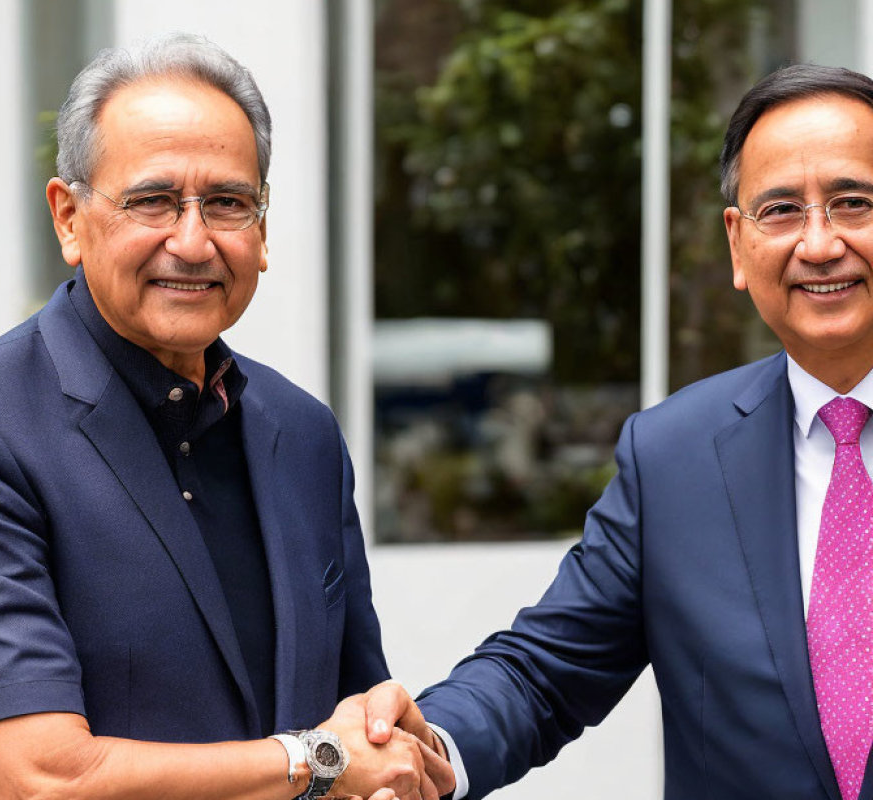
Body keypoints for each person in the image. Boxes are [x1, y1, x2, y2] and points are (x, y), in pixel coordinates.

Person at [0, 32, 452, 800]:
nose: (192, 239)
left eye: (227, 204)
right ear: (68, 219)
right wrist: (318, 763)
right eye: (152, 200)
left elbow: (356, 722)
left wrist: (390, 752)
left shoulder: (301, 433)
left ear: (263, 232)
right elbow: (35, 781)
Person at [357, 63, 873, 800]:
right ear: (737, 243)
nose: (818, 245)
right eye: (782, 211)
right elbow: (543, 673)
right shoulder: (676, 457)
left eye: (853, 203)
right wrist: (427, 749)